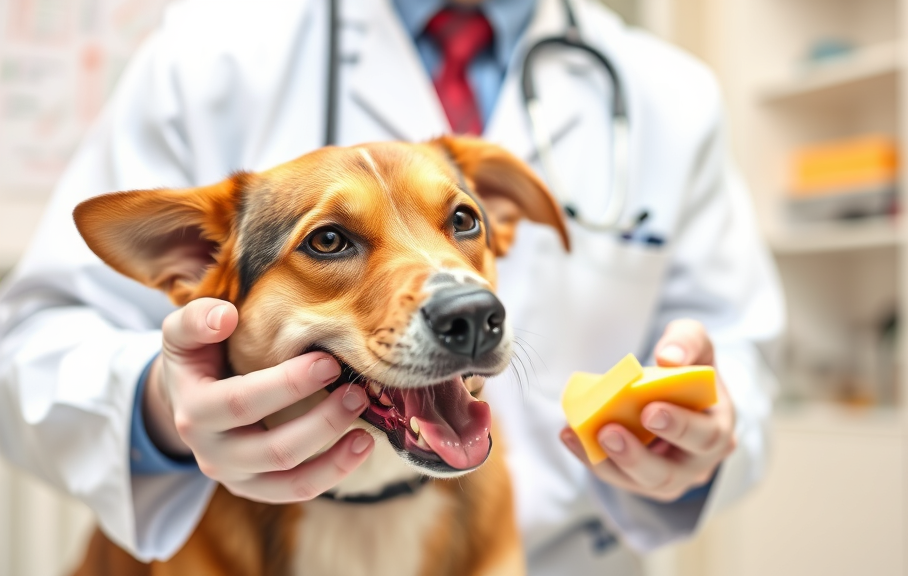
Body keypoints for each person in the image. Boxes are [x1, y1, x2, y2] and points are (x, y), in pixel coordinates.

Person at [0, 0, 784, 574]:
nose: (462, 295)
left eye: (466, 223)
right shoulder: (210, 51)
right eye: (332, 240)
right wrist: (164, 412)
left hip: (548, 553)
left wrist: (706, 426)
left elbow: (742, 347)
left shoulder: (672, 95)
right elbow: (34, 345)